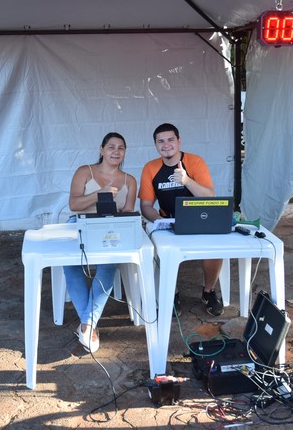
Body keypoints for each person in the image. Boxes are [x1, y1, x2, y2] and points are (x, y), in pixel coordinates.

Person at [139, 123, 224, 316]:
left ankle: (208, 291)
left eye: (170, 140)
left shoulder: (195, 162)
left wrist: (186, 180)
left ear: (179, 141)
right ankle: (172, 292)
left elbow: (209, 197)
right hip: (166, 221)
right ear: (155, 145)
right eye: (161, 141)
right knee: (156, 248)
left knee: (215, 245)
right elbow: (145, 206)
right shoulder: (150, 167)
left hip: (198, 219)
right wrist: (161, 221)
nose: (166, 144)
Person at [65, 132, 138, 352]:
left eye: (121, 148)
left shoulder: (130, 180)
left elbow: (127, 212)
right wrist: (99, 194)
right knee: (69, 264)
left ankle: (87, 325)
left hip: (110, 228)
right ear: (101, 149)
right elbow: (74, 205)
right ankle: (90, 324)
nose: (116, 151)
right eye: (111, 147)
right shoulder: (84, 172)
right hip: (79, 223)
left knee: (108, 265)